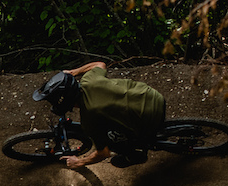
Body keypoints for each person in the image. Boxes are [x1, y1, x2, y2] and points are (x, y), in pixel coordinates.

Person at [32, 61, 167, 169]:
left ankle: (134, 156)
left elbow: (103, 153)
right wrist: (74, 72)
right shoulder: (89, 80)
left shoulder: (90, 117)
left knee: (112, 140)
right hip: (151, 95)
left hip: (150, 117)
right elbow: (100, 64)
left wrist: (79, 162)